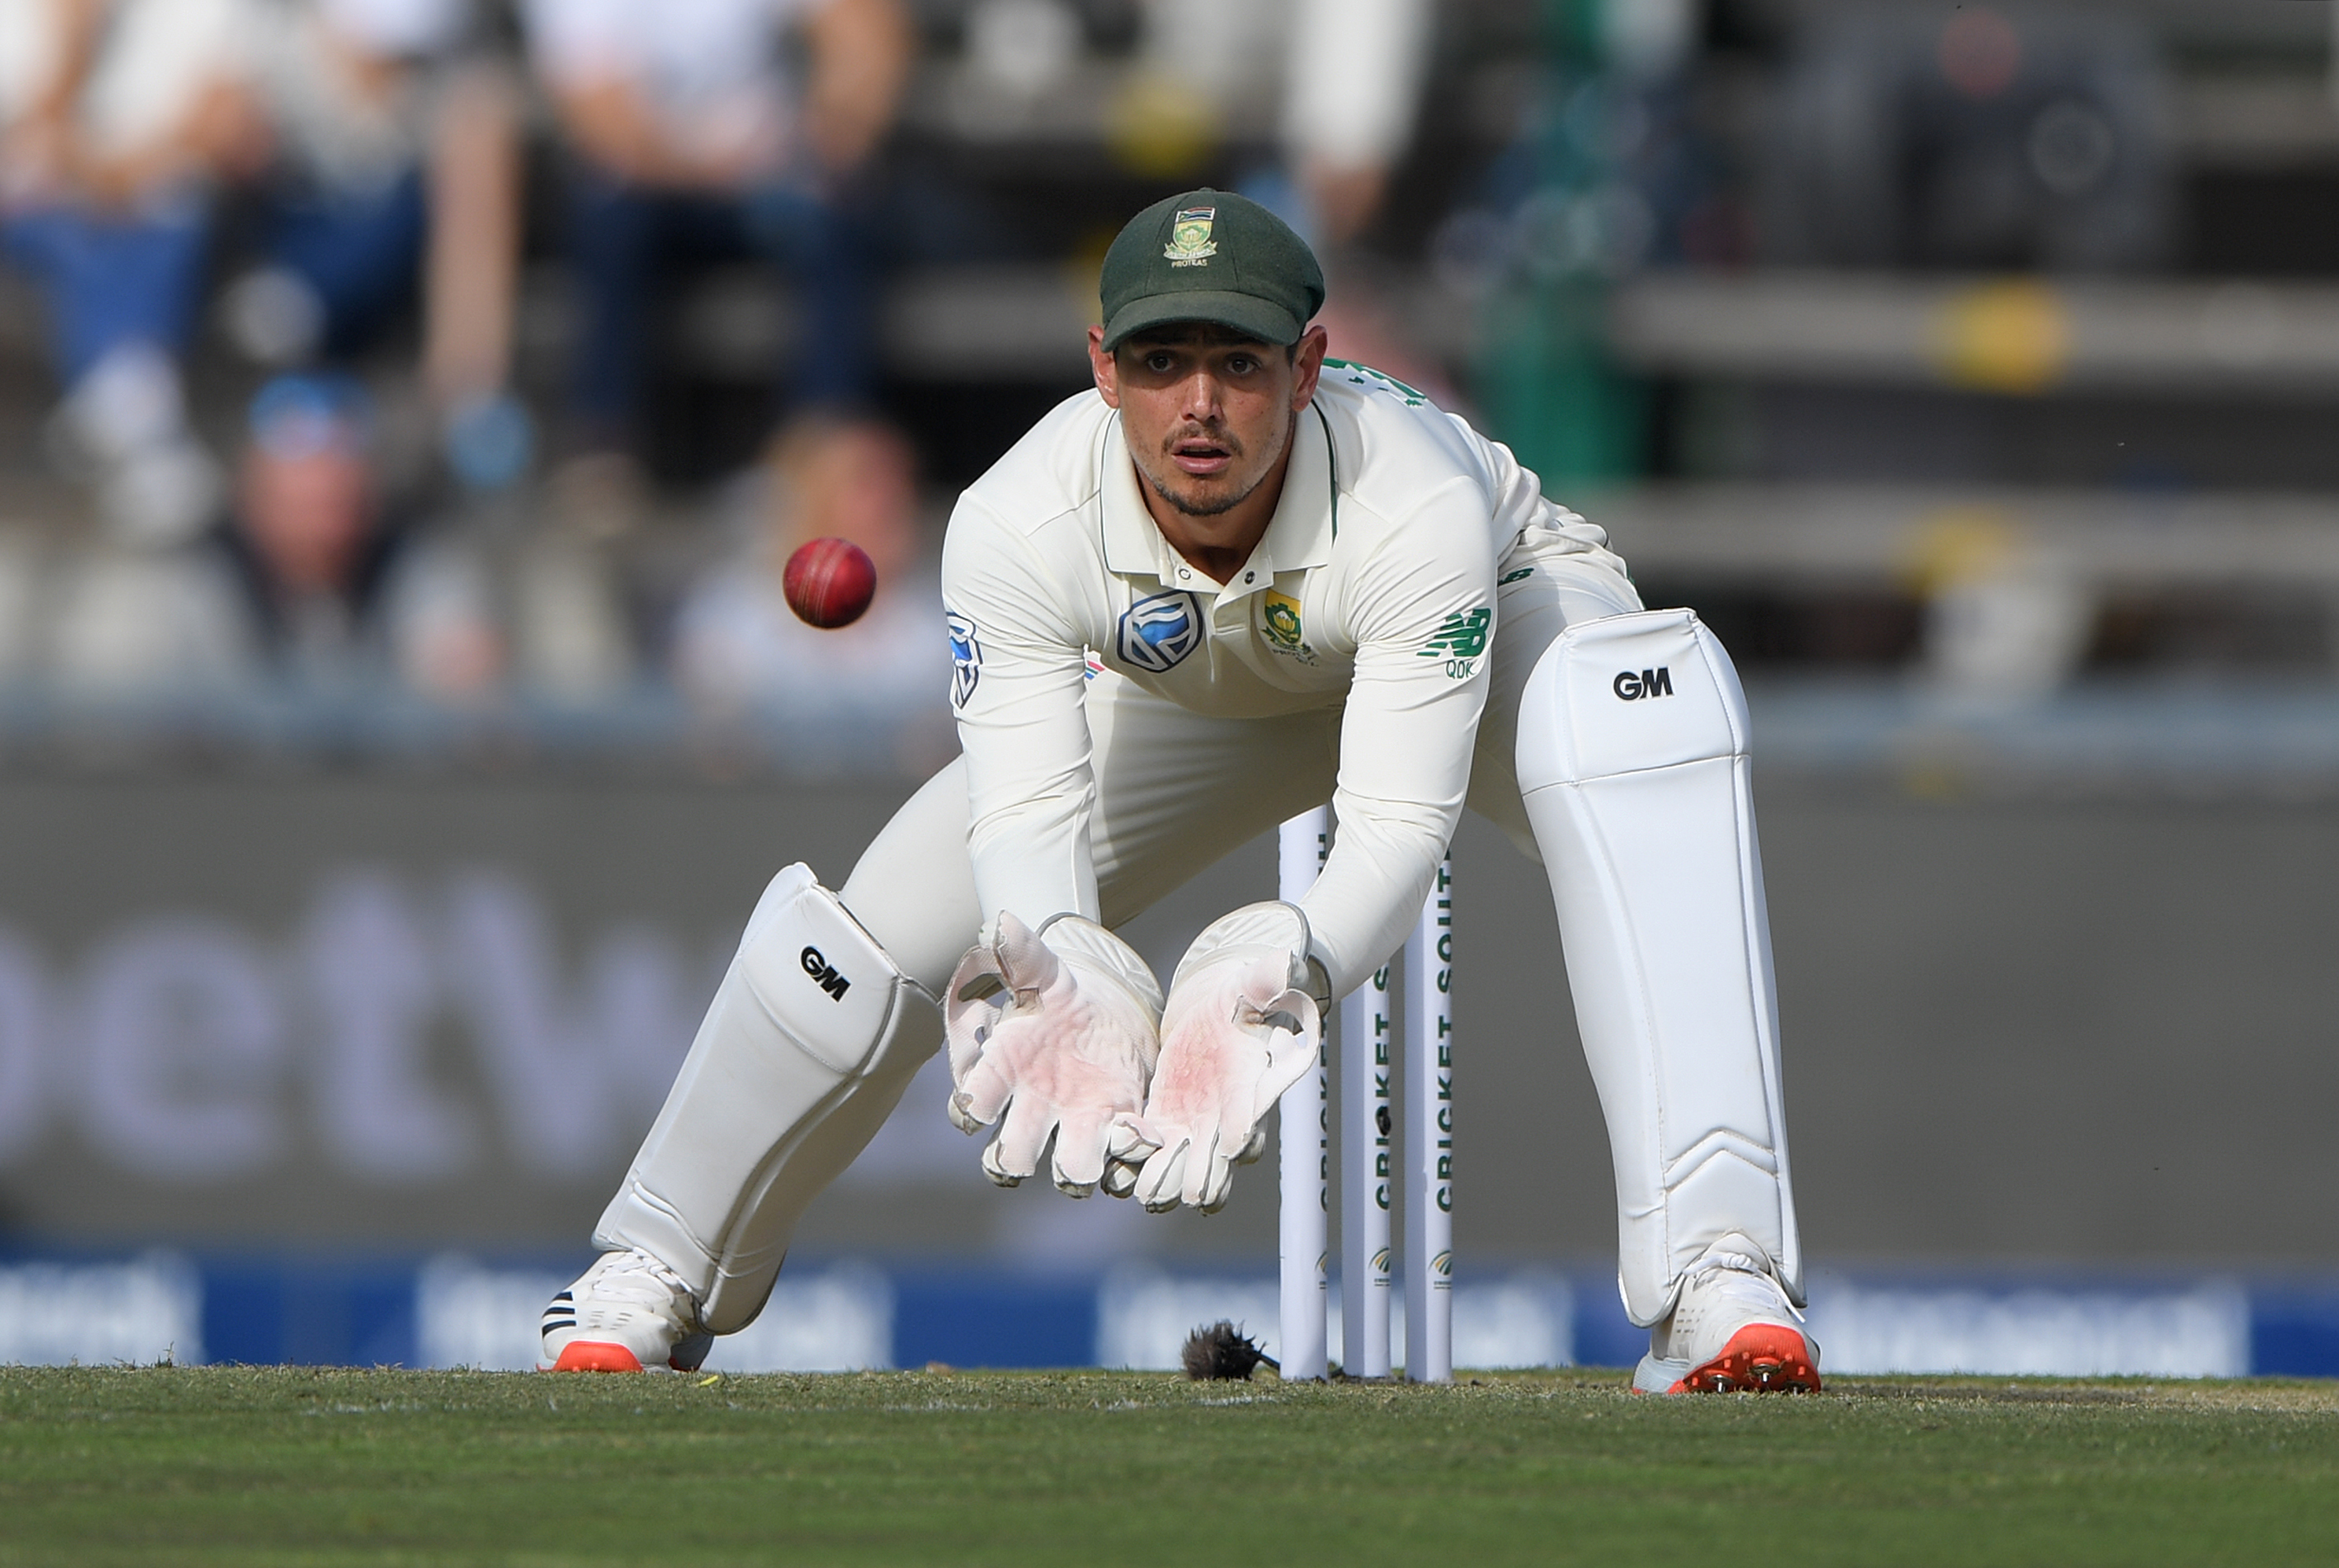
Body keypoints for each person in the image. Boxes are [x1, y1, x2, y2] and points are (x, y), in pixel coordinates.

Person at [539, 190, 1818, 1395]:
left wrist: (1295, 960)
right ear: (1102, 367)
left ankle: (1717, 1267)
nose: (1196, 406)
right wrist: (1063, 970)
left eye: (1238, 364)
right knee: (857, 943)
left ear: (1304, 368)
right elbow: (1027, 820)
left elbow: (1392, 828)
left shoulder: (1410, 499)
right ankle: (656, 1263)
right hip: (1207, 691)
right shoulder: (1017, 520)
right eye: (1158, 364)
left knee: (1638, 717)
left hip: (1495, 623)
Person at [520, 0, 910, 477]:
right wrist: (711, 167)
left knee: (837, 220)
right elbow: (602, 119)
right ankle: (606, 448)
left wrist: (831, 125)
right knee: (609, 222)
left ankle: (825, 447)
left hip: (766, 181)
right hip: (655, 188)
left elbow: (865, 39)